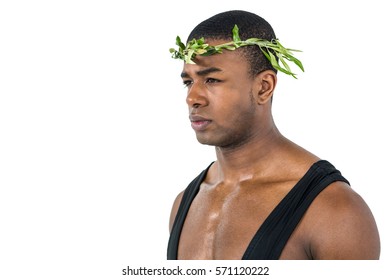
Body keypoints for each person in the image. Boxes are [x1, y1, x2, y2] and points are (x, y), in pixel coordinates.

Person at [167, 10, 380, 260]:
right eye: (188, 82)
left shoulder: (334, 211)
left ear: (264, 87)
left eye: (212, 80)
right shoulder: (186, 202)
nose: (192, 98)